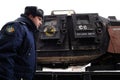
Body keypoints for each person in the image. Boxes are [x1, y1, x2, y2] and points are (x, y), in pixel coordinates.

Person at [0, 6, 44, 80]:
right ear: (30, 16)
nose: (41, 23)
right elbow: (5, 56)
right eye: (39, 19)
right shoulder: (16, 27)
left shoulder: (29, 32)